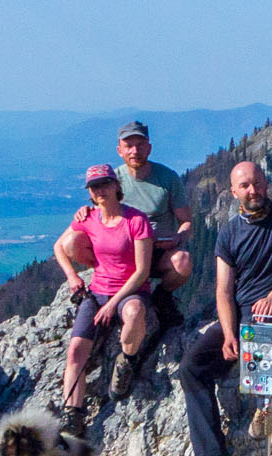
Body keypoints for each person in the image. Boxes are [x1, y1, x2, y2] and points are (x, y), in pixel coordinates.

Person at [177, 161, 272, 456]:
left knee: (264, 327)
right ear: (235, 192)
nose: (254, 191)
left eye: (258, 183)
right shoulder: (229, 231)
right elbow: (223, 289)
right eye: (246, 186)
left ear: (266, 184)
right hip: (240, 315)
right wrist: (226, 333)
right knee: (191, 368)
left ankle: (269, 405)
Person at [54, 121, 192, 331]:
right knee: (72, 242)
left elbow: (187, 221)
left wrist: (179, 238)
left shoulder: (168, 178)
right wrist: (85, 211)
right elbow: (98, 207)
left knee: (183, 261)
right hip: (119, 253)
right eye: (128, 146)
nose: (134, 151)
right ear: (119, 151)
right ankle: (106, 276)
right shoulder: (111, 178)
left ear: (149, 148)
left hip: (157, 251)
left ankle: (161, 298)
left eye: (140, 145)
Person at [54, 164, 154, 434]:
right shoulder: (87, 218)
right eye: (94, 187)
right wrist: (73, 278)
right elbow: (60, 247)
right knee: (75, 350)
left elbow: (142, 271)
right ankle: (73, 413)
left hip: (130, 291)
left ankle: (127, 362)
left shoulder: (136, 220)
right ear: (90, 192)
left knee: (133, 313)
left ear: (116, 186)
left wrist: (112, 304)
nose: (100, 190)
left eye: (105, 184)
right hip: (97, 290)